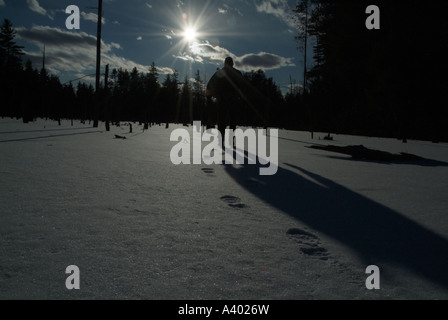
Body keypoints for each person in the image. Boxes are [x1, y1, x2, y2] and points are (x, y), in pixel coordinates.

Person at [206, 57, 245, 147]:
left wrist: (209, 96)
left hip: (222, 100)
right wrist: (242, 97)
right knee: (232, 121)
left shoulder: (220, 72)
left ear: (225, 63)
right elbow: (243, 86)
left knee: (222, 121)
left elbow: (210, 84)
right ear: (232, 64)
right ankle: (230, 141)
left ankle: (221, 141)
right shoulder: (237, 73)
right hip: (232, 100)